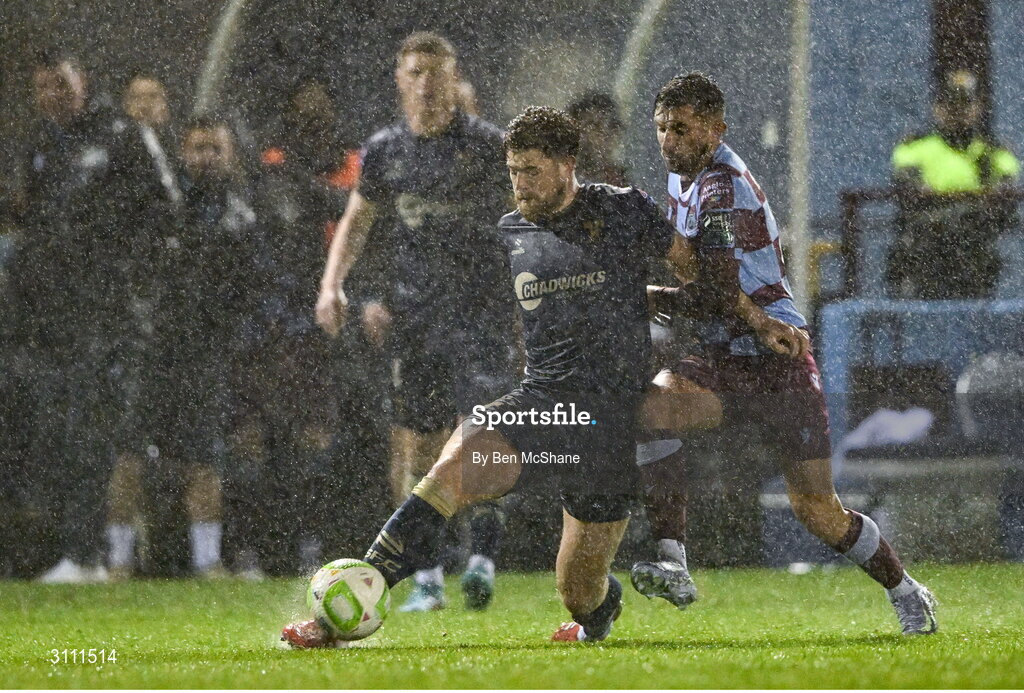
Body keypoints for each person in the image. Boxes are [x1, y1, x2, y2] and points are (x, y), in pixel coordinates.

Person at [285, 105, 690, 647]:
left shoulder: (623, 210)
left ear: (567, 164)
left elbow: (694, 268)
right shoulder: (510, 229)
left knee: (578, 590)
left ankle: (600, 610)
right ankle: (351, 602)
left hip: (609, 418)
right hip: (544, 401)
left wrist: (737, 314)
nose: (519, 184)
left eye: (532, 171)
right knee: (451, 468)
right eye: (513, 171)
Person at [628, 72, 937, 636]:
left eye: (681, 128)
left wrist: (646, 298)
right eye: (660, 129)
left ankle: (907, 589)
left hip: (779, 360)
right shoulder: (684, 180)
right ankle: (673, 561)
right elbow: (708, 283)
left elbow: (716, 293)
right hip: (727, 355)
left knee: (817, 510)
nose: (668, 140)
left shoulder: (723, 186)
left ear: (716, 129)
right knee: (652, 409)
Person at [314, 32, 513, 611]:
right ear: (400, 80)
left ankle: (482, 555)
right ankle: (426, 575)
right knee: (417, 444)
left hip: (482, 312)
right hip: (415, 315)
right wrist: (334, 285)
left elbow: (524, 224)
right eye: (416, 73)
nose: (426, 83)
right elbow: (358, 222)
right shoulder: (383, 151)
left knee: (481, 434)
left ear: (455, 79)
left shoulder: (488, 147)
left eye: (437, 72)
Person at [139, 117, 264, 577]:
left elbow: (254, 288)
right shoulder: (163, 207)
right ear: (181, 152)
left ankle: (208, 560)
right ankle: (117, 559)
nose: (206, 157)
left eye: (215, 148)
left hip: (213, 354)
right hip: (156, 348)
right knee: (135, 452)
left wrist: (236, 342)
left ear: (230, 153)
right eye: (197, 148)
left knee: (206, 454)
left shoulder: (246, 212)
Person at [11, 53, 115, 583]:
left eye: (62, 83)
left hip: (105, 317)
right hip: (50, 321)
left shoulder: (118, 136)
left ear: (83, 80)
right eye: (45, 86)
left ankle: (91, 553)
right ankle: (64, 553)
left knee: (91, 435)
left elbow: (158, 215)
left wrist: (121, 286)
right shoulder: (39, 149)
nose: (55, 93)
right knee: (54, 438)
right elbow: (28, 226)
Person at [102, 72, 184, 579]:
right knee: (128, 437)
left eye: (155, 96)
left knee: (181, 444)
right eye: (136, 98)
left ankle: (175, 555)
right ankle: (117, 556)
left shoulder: (178, 161)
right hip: (132, 320)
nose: (145, 106)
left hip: (174, 324)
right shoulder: (118, 161)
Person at [888, 69, 1020, 299]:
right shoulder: (915, 147)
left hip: (975, 243)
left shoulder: (993, 151)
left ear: (977, 108)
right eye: (950, 105)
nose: (957, 112)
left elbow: (1006, 187)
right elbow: (908, 186)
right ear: (938, 108)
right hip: (928, 243)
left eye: (964, 105)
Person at [566, 91, 629, 187]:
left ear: (614, 134)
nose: (584, 134)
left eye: (594, 126)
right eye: (578, 128)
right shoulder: (561, 179)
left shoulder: (622, 187)